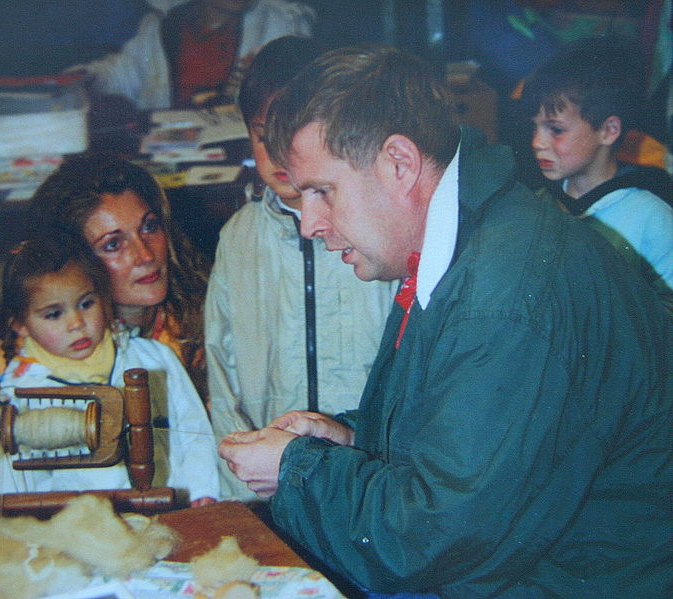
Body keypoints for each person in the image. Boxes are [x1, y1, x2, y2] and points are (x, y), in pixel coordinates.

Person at [218, 45, 671, 598]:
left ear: (400, 164)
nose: (311, 222)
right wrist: (355, 440)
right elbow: (480, 442)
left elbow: (433, 544)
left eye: (322, 192)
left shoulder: (505, 295)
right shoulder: (470, 240)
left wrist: (299, 471)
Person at [205, 36, 399, 501]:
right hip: (270, 485)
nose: (273, 151)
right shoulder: (239, 236)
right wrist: (242, 487)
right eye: (260, 131)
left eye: (288, 132)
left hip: (365, 476)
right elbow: (220, 363)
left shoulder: (377, 233)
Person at [0, 154, 210, 497]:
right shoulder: (25, 363)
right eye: (113, 244)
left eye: (149, 227)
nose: (145, 255)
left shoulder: (192, 322)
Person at [0, 236, 219, 505]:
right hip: (78, 533)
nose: (77, 323)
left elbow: (194, 431)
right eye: (54, 314)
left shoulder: (154, 358)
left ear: (104, 298)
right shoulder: (20, 395)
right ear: (20, 325)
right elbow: (11, 485)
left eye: (86, 304)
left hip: (173, 511)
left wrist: (202, 491)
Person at [522, 36, 673, 312]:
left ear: (608, 131)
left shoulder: (652, 220)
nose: (537, 142)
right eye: (535, 128)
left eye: (555, 129)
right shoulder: (536, 203)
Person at [69, 0, 316, 110]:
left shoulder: (280, 21)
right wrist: (88, 76)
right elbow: (124, 72)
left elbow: (305, 79)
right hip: (173, 148)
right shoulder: (163, 26)